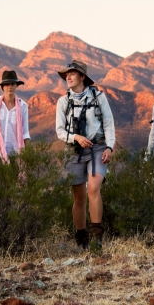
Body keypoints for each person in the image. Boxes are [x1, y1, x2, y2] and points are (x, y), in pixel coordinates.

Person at [55, 60, 116, 253]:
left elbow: (108, 123)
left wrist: (110, 147)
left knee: (93, 188)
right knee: (79, 197)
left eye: (72, 73)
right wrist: (75, 137)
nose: (68, 77)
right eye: (66, 74)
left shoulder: (98, 97)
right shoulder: (63, 102)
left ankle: (97, 238)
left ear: (82, 77)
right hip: (74, 151)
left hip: (98, 148)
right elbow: (59, 131)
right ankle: (81, 238)